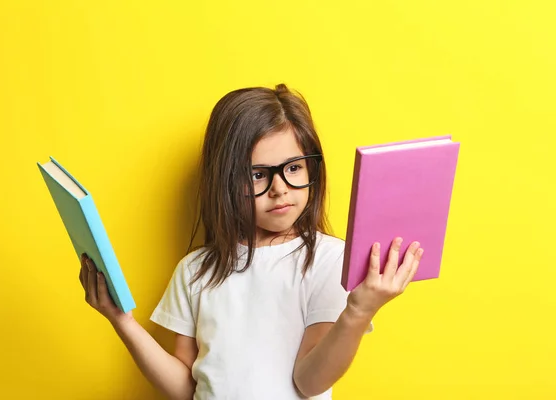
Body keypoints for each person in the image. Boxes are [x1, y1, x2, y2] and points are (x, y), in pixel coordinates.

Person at [78, 83, 424, 399]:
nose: (280, 188)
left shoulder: (331, 260)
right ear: (225, 180)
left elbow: (310, 381)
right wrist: (120, 319)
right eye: (258, 174)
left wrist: (359, 310)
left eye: (293, 168)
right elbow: (186, 388)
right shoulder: (196, 270)